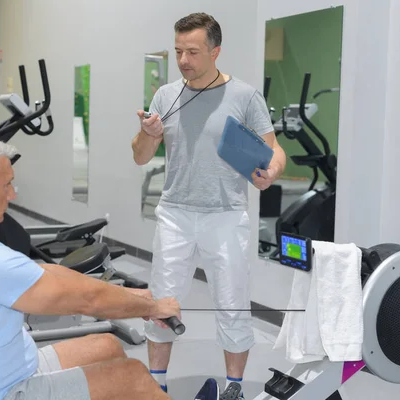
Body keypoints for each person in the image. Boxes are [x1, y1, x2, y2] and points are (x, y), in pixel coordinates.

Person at [0, 136, 226, 400]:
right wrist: (152, 307)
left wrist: (140, 300)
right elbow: (86, 301)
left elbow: (51, 275)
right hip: (1, 392)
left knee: (106, 345)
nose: (13, 194)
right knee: (132, 375)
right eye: (7, 184)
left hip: (3, 369)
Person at [131, 12, 287, 399]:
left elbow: (273, 150)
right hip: (175, 213)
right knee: (163, 302)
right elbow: (139, 156)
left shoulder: (245, 96)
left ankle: (233, 387)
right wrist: (147, 134)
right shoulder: (165, 96)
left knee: (232, 302)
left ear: (216, 51)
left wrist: (272, 171)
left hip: (225, 213)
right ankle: (158, 384)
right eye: (179, 51)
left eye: (193, 51)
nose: (184, 60)